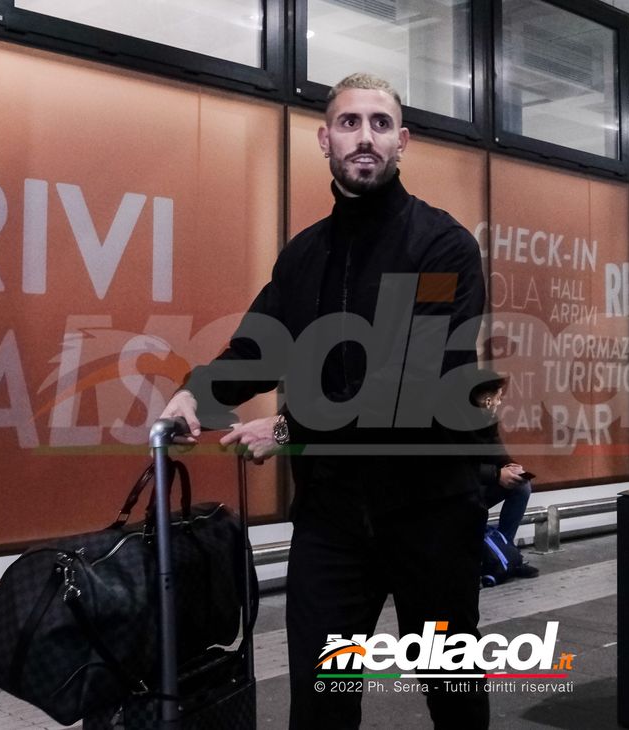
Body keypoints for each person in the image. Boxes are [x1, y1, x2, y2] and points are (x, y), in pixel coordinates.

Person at [159, 74, 489, 729]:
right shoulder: (304, 255)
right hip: (332, 520)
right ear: (324, 139)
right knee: (319, 701)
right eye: (349, 123)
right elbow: (257, 348)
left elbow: (415, 382)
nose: (365, 137)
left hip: (430, 512)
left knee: (450, 690)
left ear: (402, 141)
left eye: (380, 124)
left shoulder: (441, 245)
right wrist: (196, 392)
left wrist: (289, 429)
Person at [470, 372, 539, 579]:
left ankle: (504, 554)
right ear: (487, 400)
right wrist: (497, 474)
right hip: (460, 490)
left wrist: (511, 466)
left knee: (521, 486)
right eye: (499, 398)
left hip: (479, 484)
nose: (500, 403)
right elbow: (458, 467)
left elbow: (497, 452)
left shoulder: (488, 420)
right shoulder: (457, 423)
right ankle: (491, 558)